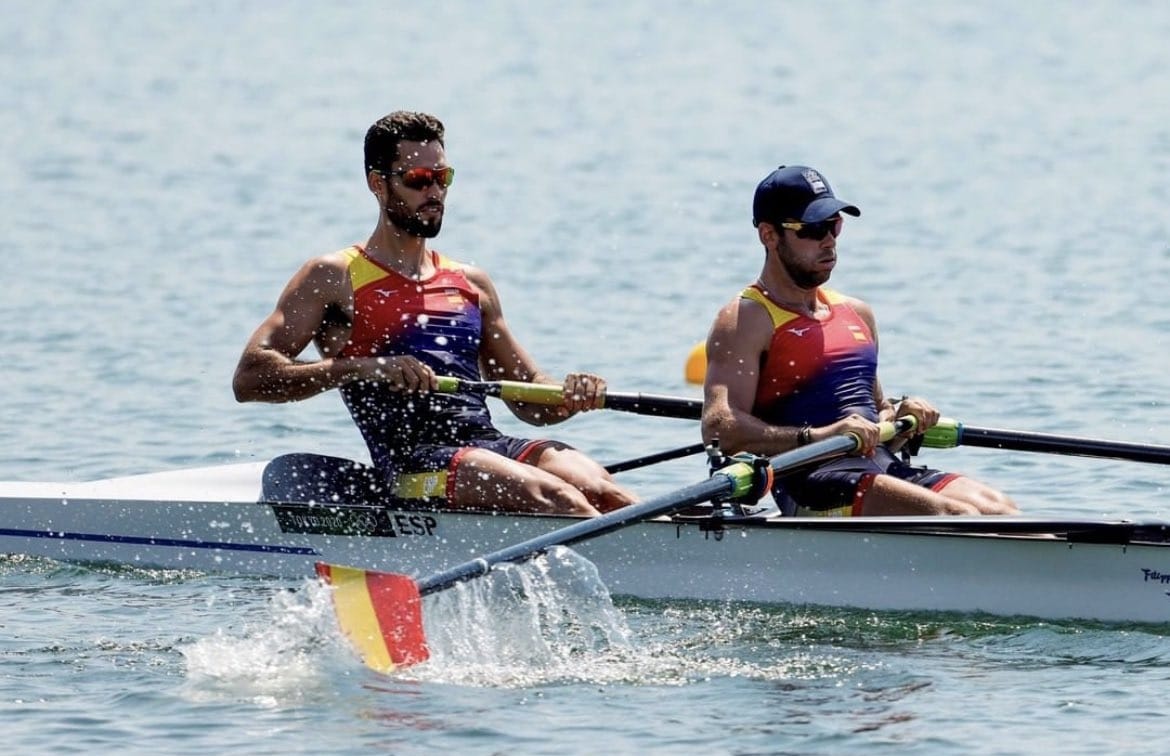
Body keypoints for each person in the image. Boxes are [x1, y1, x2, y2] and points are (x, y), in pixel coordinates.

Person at [233, 110, 635, 517]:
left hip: (488, 446)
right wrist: (362, 368)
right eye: (418, 180)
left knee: (605, 492)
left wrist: (569, 395)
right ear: (378, 184)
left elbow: (529, 396)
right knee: (561, 499)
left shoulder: (470, 283)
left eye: (442, 178)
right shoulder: (334, 276)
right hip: (413, 466)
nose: (435, 192)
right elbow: (250, 378)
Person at [700, 165, 1017, 517]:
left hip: (879, 466)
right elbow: (719, 429)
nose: (829, 239)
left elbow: (875, 413)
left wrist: (900, 415)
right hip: (813, 481)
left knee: (1000, 510)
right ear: (769, 235)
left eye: (834, 225)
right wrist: (818, 435)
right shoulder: (746, 319)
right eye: (813, 228)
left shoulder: (856, 313)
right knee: (956, 517)